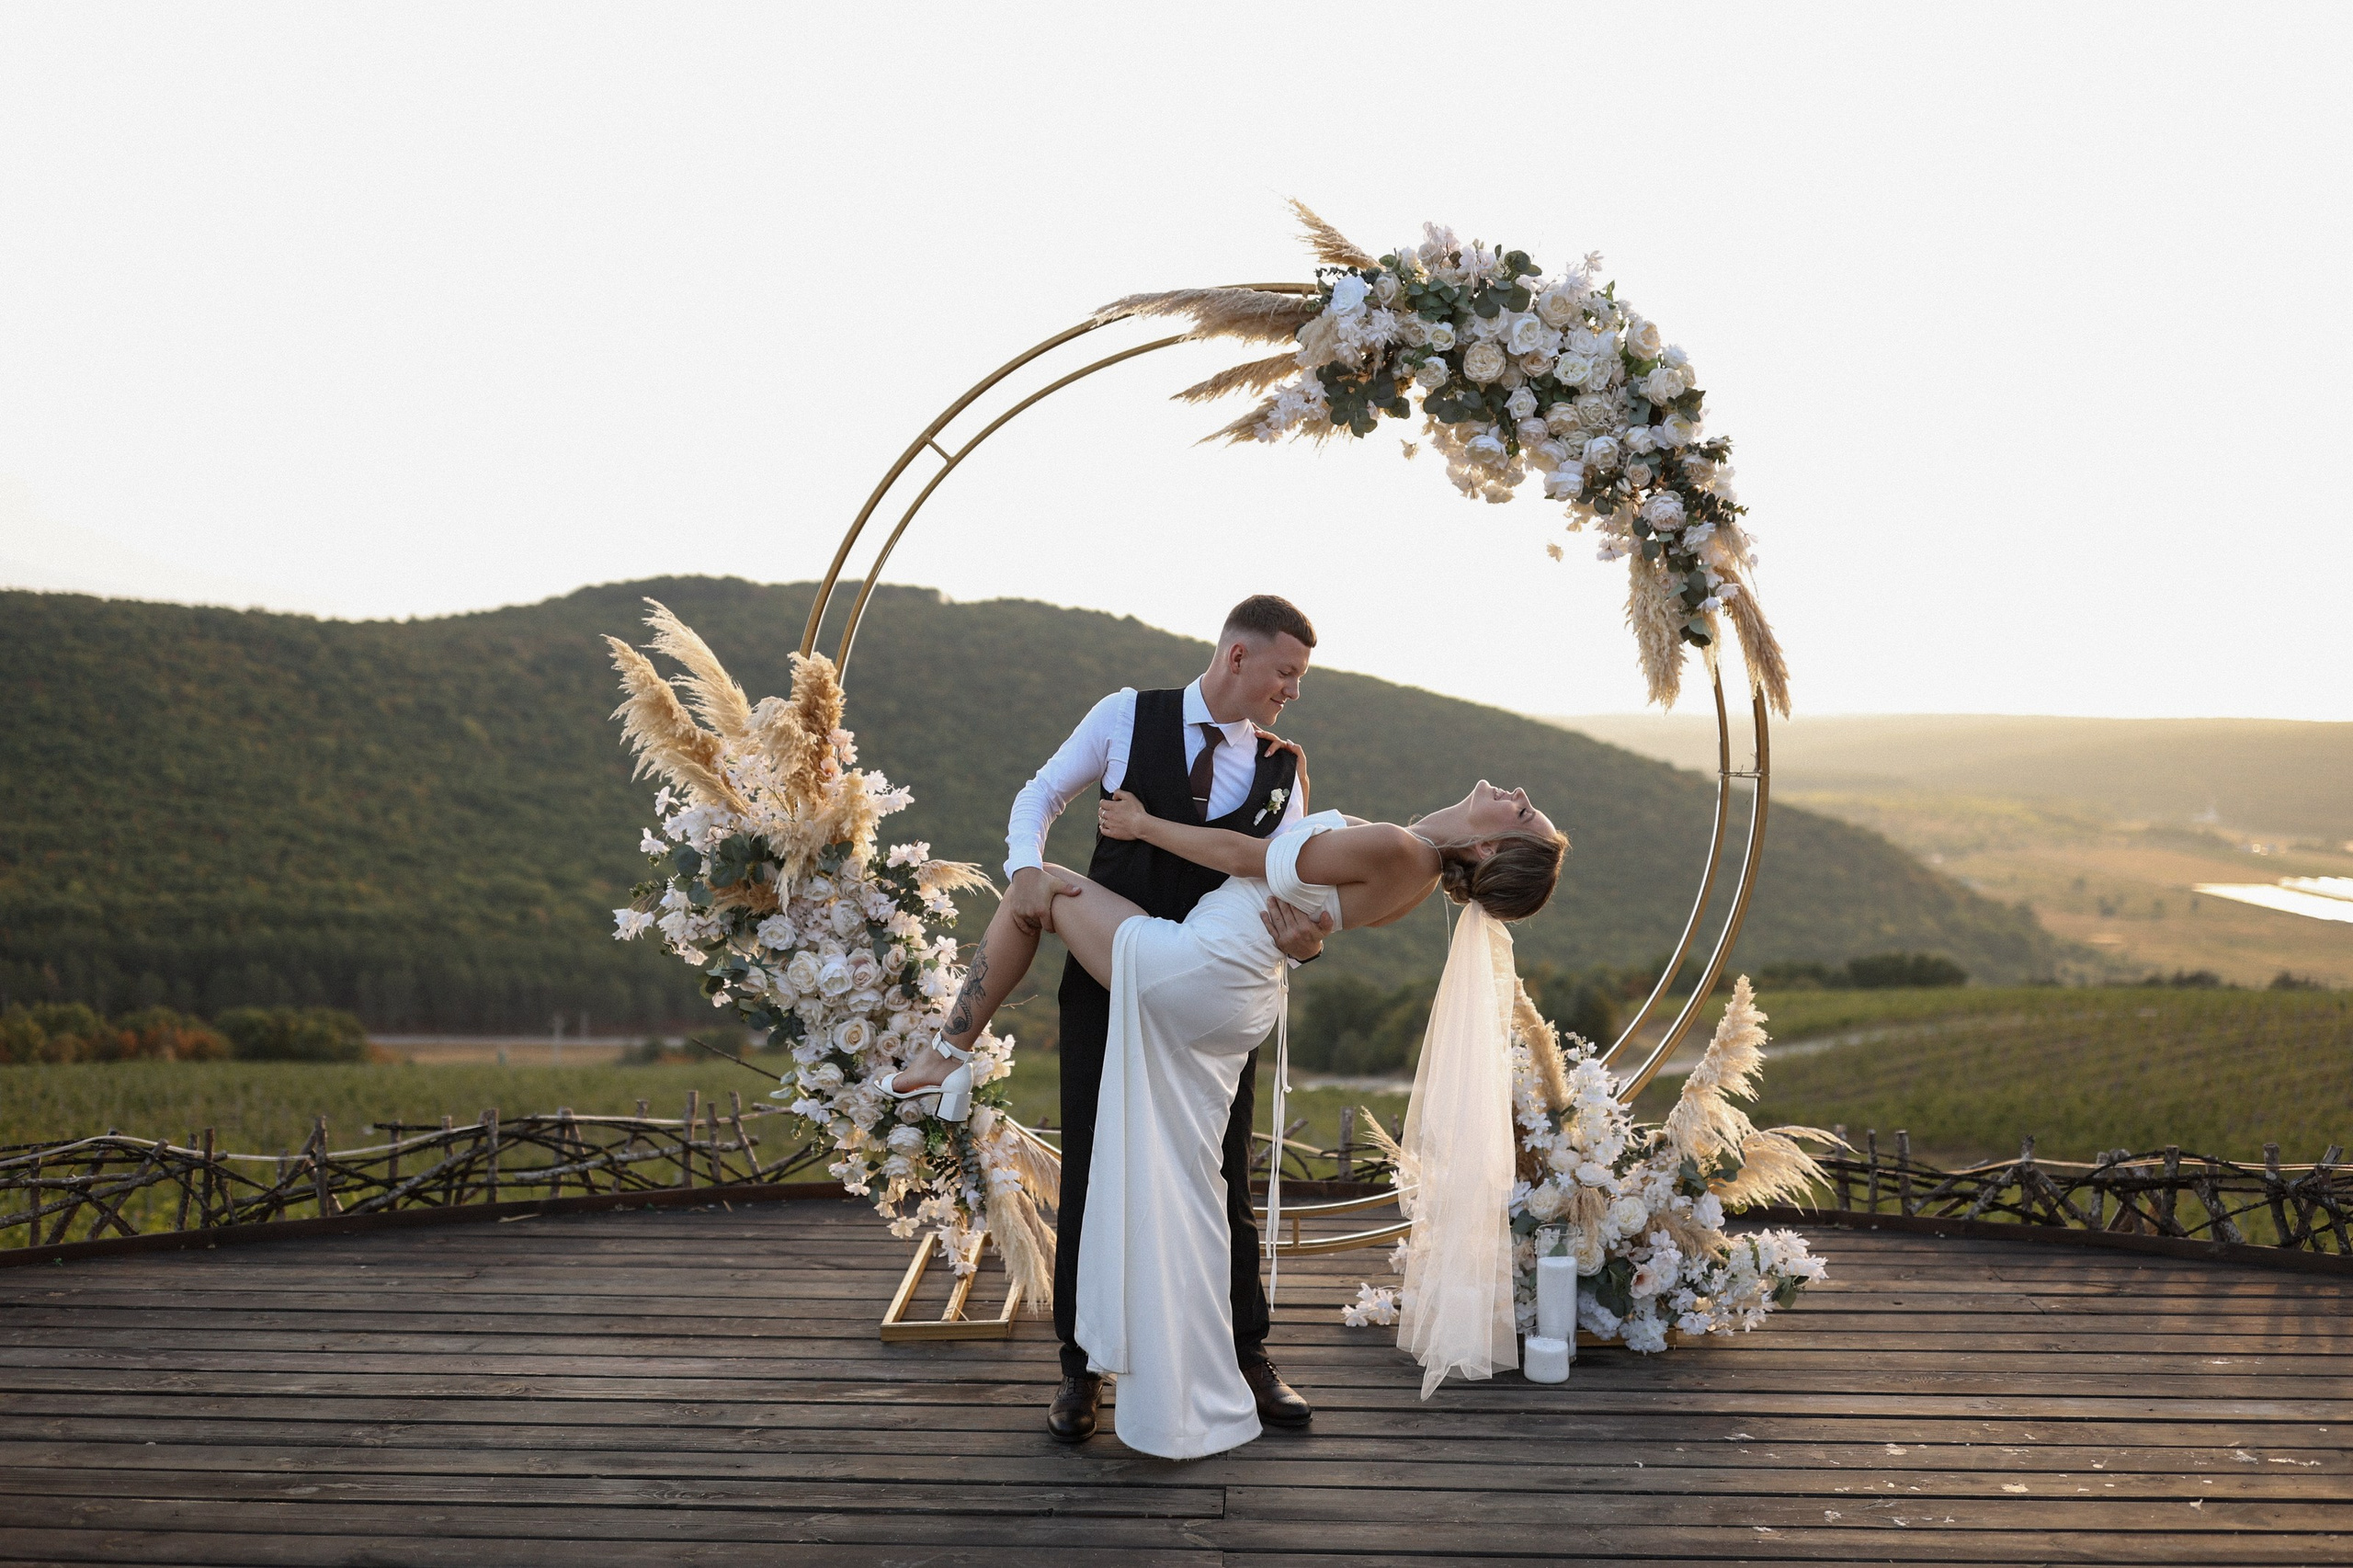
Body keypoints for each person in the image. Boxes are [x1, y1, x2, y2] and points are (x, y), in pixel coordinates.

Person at [884, 761, 1566, 1459]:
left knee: (1036, 889)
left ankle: (947, 1055)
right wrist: (1308, 921)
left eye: (1521, 815)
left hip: (1199, 969)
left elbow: (1249, 858)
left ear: (1487, 850)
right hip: (1235, 993)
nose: (1517, 794)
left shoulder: (1402, 848)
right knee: (1188, 1189)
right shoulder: (1415, 869)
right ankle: (1182, 1366)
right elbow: (1306, 908)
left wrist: (1142, 825)